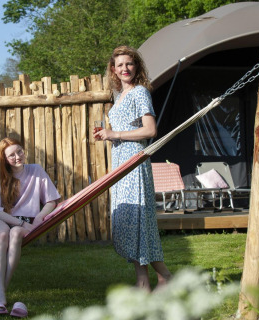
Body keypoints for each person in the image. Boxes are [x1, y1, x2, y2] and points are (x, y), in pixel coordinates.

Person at [94, 45, 172, 291]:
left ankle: (165, 276)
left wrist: (113, 133)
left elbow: (150, 131)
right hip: (121, 163)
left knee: (139, 221)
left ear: (136, 67)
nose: (124, 68)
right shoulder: (120, 96)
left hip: (135, 163)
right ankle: (143, 283)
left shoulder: (140, 93)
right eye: (119, 65)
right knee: (130, 222)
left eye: (129, 63)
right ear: (113, 70)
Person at [0, 137, 61, 316]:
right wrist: (21, 222)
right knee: (2, 235)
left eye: (19, 151)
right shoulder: (0, 179)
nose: (18, 157)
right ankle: (1, 295)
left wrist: (40, 216)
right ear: (4, 159)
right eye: (11, 155)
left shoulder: (36, 171)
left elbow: (51, 200)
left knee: (16, 234)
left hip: (25, 220)